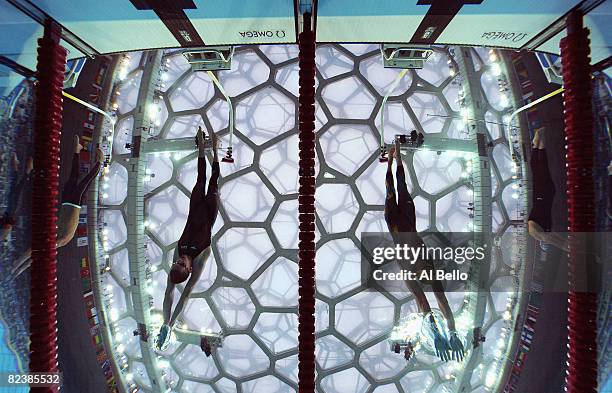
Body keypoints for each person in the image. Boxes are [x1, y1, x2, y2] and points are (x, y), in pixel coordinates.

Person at [384, 138, 464, 362]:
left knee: (395, 187)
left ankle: (393, 159)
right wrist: (449, 332)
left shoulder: (410, 270)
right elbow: (435, 302)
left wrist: (443, 332)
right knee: (397, 186)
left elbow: (427, 303)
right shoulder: (426, 268)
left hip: (395, 222)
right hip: (406, 221)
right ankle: (393, 159)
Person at [156, 126, 219, 353]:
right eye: (182, 264)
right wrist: (172, 325)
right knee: (213, 180)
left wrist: (165, 322)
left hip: (194, 208)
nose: (180, 259)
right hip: (210, 210)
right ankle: (215, 149)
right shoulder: (201, 259)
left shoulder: (179, 253)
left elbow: (168, 292)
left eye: (176, 262)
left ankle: (202, 146)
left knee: (200, 177)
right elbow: (184, 295)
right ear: (190, 269)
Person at [12, 135, 103, 276]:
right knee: (81, 180)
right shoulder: (62, 239)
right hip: (73, 204)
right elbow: (38, 251)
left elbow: (35, 253)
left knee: (76, 178)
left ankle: (82, 154)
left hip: (67, 202)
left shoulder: (57, 239)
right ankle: (94, 161)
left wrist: (19, 265)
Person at [527, 128, 568, 251]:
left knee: (540, 164)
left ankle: (539, 136)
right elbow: (551, 238)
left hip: (544, 191)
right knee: (538, 165)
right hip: (543, 191)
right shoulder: (541, 229)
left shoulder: (536, 232)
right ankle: (539, 138)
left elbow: (549, 239)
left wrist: (564, 246)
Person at [1, 153, 33, 243]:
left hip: (11, 209)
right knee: (16, 186)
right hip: (11, 208)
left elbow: (8, 224)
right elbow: (8, 224)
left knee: (16, 185)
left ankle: (21, 167)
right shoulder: (3, 231)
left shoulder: (3, 232)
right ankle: (24, 169)